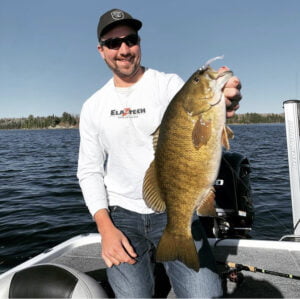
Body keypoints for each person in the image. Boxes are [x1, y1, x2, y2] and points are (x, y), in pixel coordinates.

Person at [77, 8, 242, 298]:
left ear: (139, 43)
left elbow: (203, 124)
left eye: (131, 40)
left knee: (207, 296)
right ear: (101, 50)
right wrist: (106, 229)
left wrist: (226, 101)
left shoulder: (167, 85)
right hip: (122, 217)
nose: (124, 50)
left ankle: (180, 242)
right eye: (114, 43)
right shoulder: (93, 106)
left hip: (175, 209)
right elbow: (89, 170)